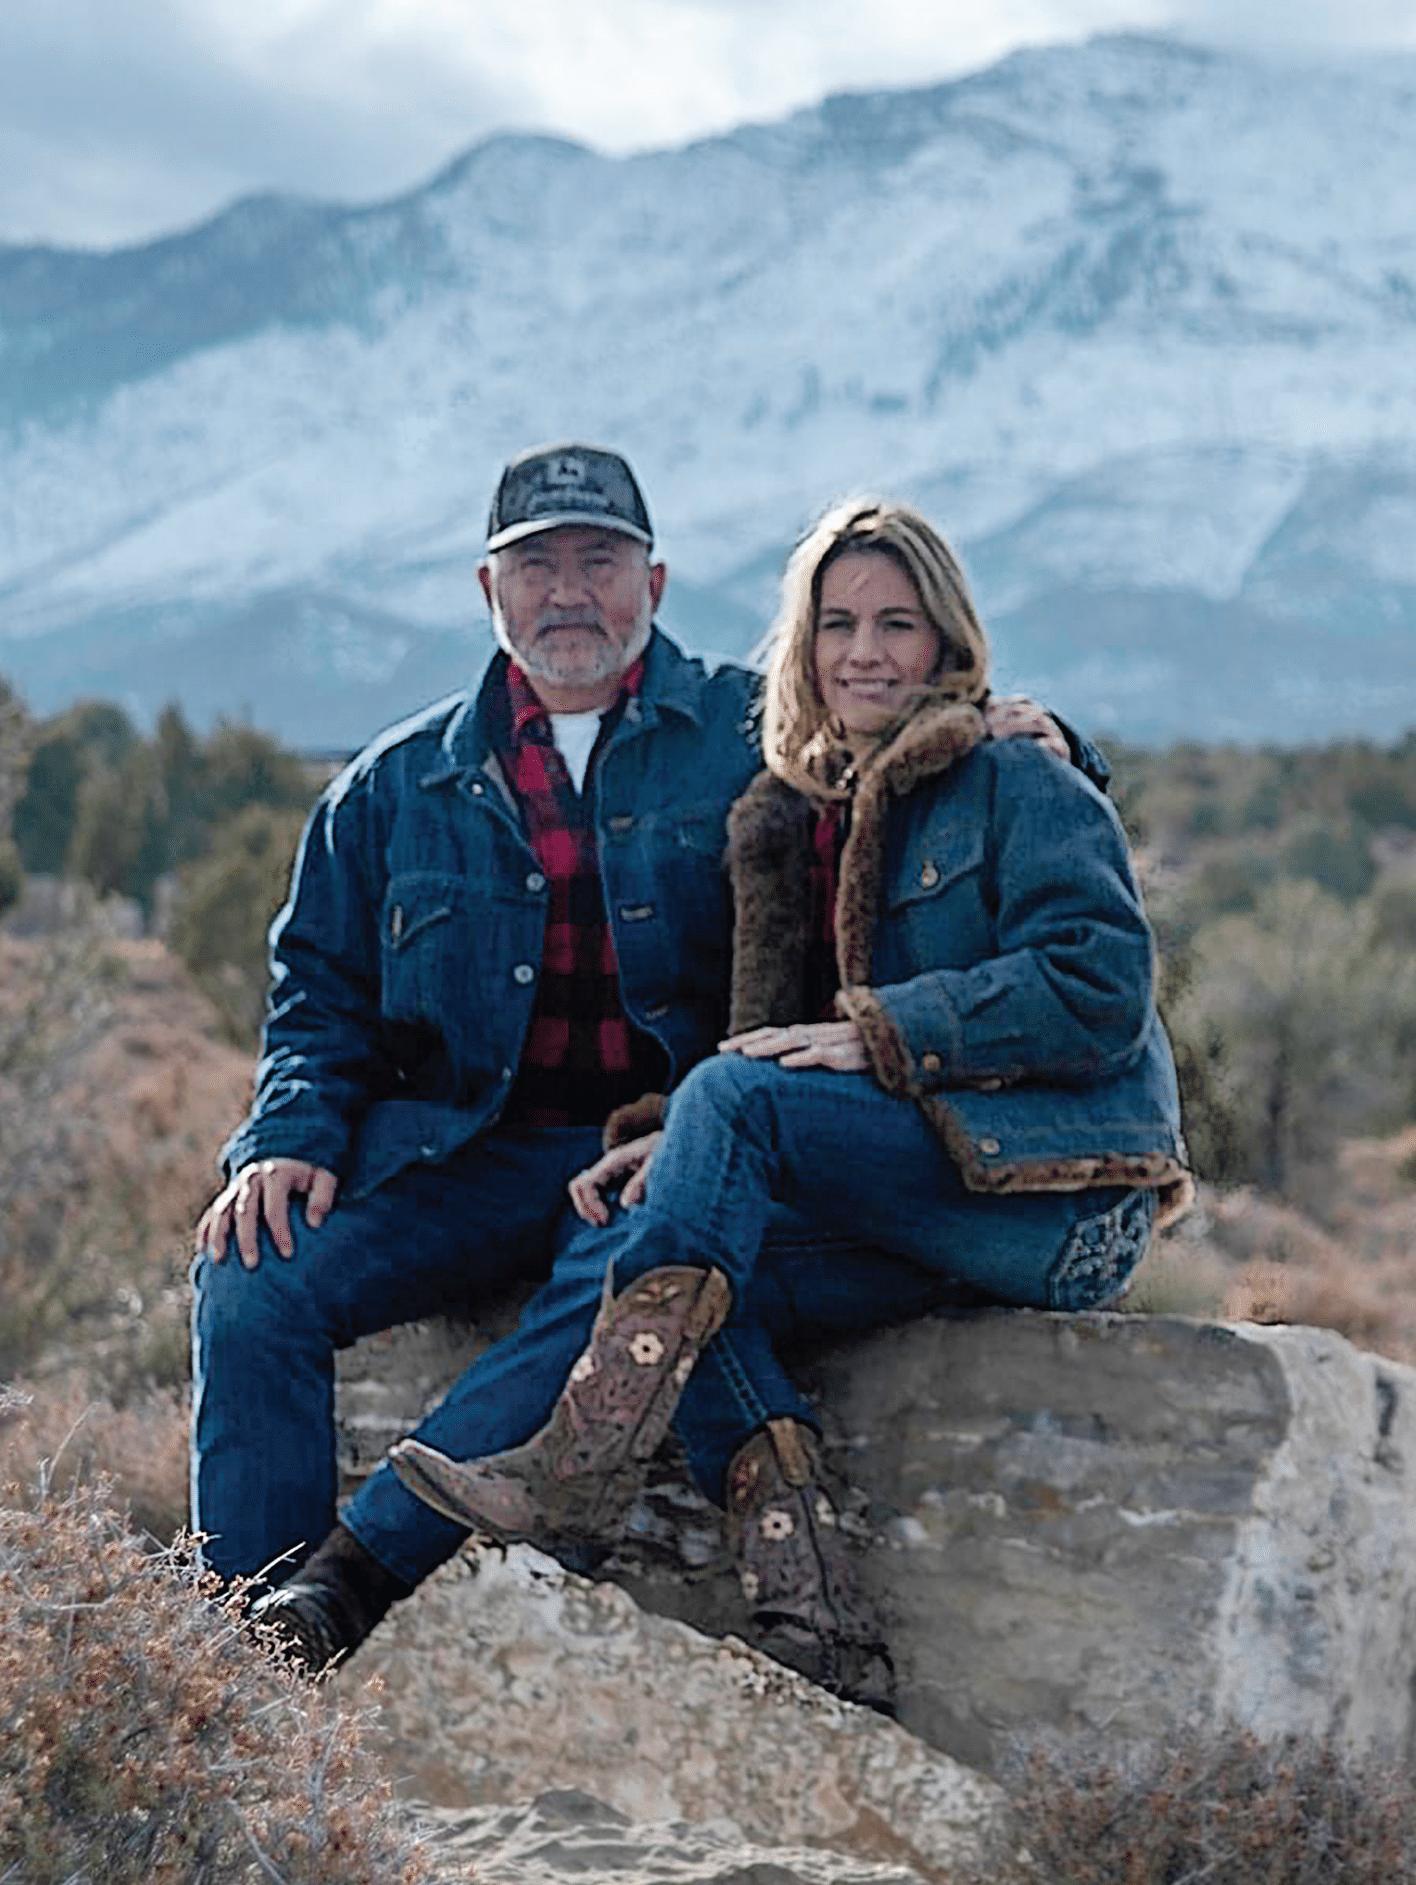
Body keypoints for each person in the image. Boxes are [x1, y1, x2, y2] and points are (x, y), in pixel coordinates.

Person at [190, 447, 1101, 1684]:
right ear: (489, 589)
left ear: (655, 583)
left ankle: (346, 1581)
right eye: (538, 565)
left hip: (668, 1146)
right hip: (454, 1157)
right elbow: (318, 994)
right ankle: (244, 1657)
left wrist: (1049, 737)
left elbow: (923, 754)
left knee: (640, 1264)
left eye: (600, 561)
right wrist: (287, 1134)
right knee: (252, 1275)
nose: (570, 592)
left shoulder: (762, 737)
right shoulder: (392, 787)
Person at [389, 496, 1193, 1705]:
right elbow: (771, 1053)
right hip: (932, 1189)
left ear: (947, 639)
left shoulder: (1017, 775)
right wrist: (678, 1144)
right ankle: (817, 1618)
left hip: (1062, 1198)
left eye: (897, 623)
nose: (865, 651)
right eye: (837, 624)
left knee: (725, 1121)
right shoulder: (795, 817)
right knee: (697, 1246)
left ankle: (581, 1467)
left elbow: (1101, 987)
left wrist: (886, 1030)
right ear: (803, 645)